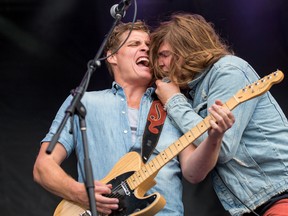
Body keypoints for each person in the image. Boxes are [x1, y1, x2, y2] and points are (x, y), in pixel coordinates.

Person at [33, 20, 234, 216]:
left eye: (149, 46)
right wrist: (79, 192)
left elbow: (194, 173)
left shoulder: (174, 107)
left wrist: (214, 138)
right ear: (111, 56)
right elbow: (43, 166)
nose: (145, 49)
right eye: (134, 44)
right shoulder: (83, 102)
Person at [149, 12, 288, 216]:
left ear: (188, 48)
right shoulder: (189, 99)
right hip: (251, 206)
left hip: (280, 192)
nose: (160, 64)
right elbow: (193, 173)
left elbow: (223, 148)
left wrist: (173, 102)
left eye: (164, 54)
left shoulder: (228, 70)